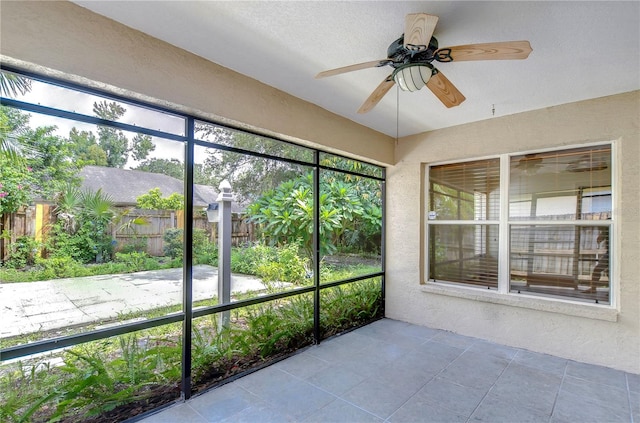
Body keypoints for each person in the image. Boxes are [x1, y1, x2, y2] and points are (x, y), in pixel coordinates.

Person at [584, 227, 608, 294]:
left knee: (598, 270)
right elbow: (599, 239)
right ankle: (593, 288)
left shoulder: (607, 229)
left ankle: (593, 288)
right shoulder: (606, 230)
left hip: (611, 254)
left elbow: (600, 238)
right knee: (599, 270)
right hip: (609, 253)